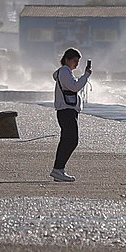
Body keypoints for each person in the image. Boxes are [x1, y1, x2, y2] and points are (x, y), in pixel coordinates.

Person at [51, 47, 91, 182]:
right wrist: (85, 76)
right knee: (71, 140)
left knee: (67, 140)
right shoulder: (64, 72)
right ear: (67, 59)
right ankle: (58, 169)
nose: (77, 64)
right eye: (75, 61)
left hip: (67, 110)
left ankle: (58, 170)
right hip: (66, 110)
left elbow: (73, 86)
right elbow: (74, 87)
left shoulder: (66, 72)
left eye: (78, 62)